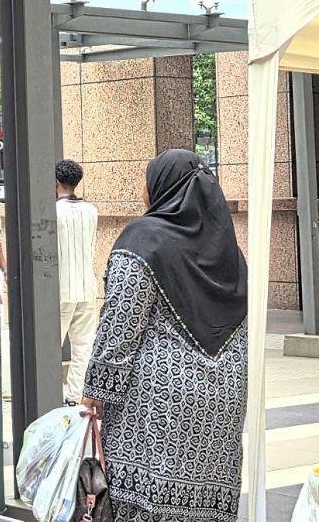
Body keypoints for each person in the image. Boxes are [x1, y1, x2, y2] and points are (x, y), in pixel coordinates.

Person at [80, 149, 247, 522]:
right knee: (206, 502)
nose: (142, 187)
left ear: (164, 187)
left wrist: (96, 390)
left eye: (147, 178)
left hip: (158, 402)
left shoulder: (143, 239)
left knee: (148, 498)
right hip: (223, 401)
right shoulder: (230, 253)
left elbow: (120, 325)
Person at [54, 159, 99, 404]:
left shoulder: (53, 212)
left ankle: (51, 394)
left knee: (52, 346)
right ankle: (74, 397)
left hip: (61, 288)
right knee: (83, 347)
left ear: (55, 182)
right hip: (87, 287)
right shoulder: (91, 211)